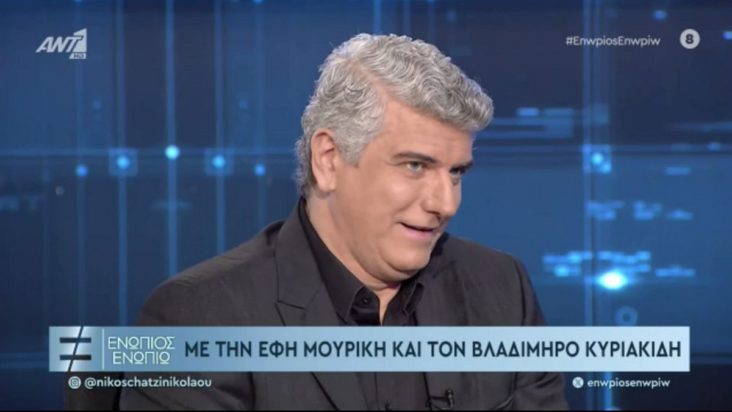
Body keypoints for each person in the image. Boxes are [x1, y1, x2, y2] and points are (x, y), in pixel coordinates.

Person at [69, 33, 568, 410]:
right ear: (329, 159)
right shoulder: (200, 316)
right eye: (415, 166)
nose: (446, 202)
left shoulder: (502, 289)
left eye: (456, 172)